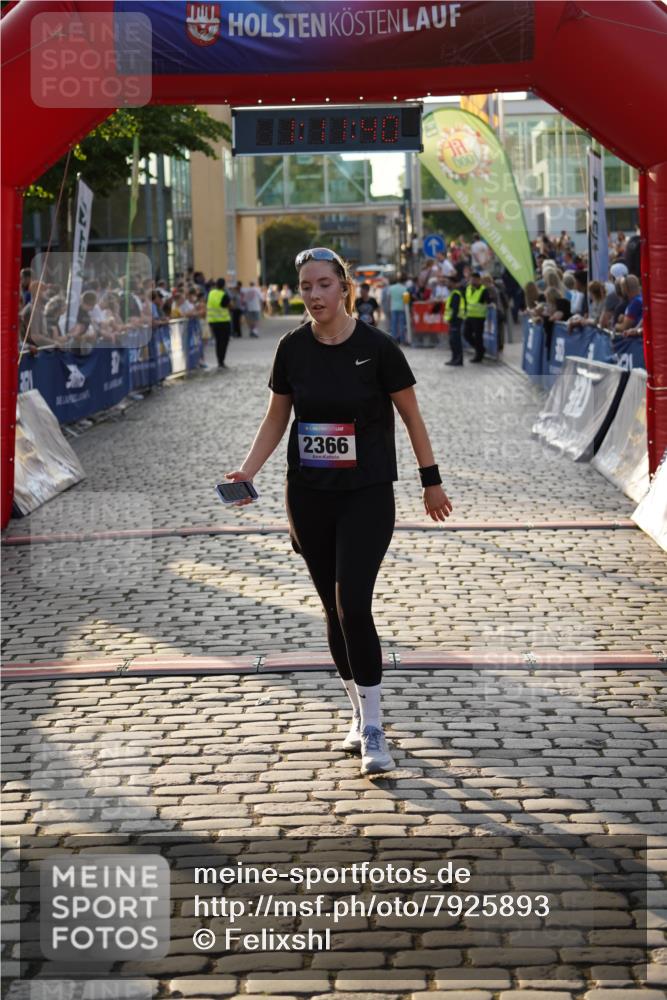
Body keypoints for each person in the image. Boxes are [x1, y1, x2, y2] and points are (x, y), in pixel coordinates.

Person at [224, 247, 453, 776]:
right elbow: (276, 418)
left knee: (354, 601)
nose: (314, 295)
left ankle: (375, 727)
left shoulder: (378, 348)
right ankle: (355, 712)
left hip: (367, 493)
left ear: (344, 288)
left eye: (324, 284)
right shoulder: (291, 349)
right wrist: (247, 471)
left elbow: (413, 418)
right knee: (331, 606)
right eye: (305, 286)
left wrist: (431, 481)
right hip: (308, 493)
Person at [206, 277, 232, 368]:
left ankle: (219, 361)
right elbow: (230, 306)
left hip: (213, 322)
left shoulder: (211, 293)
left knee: (218, 342)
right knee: (224, 342)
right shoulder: (224, 294)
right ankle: (222, 360)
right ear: (223, 285)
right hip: (224, 322)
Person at [462, 270, 488, 363]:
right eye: (471, 279)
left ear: (479, 280)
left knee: (478, 337)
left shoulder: (483, 290)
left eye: (474, 279)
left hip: (479, 317)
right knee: (466, 334)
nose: (472, 281)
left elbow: (487, 301)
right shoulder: (468, 288)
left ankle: (478, 355)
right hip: (469, 316)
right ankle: (480, 349)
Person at [443, 275, 465, 366]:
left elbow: (455, 309)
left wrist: (451, 319)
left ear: (453, 283)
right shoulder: (453, 293)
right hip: (454, 321)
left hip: (456, 320)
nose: (447, 284)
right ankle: (454, 358)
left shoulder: (456, 294)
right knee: (453, 341)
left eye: (448, 282)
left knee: (456, 341)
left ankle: (458, 359)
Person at [388, 273, 409, 345]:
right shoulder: (404, 288)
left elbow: (389, 298)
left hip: (393, 308)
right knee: (401, 325)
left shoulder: (391, 288)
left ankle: (394, 341)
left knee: (393, 325)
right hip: (402, 308)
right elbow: (406, 300)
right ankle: (402, 340)